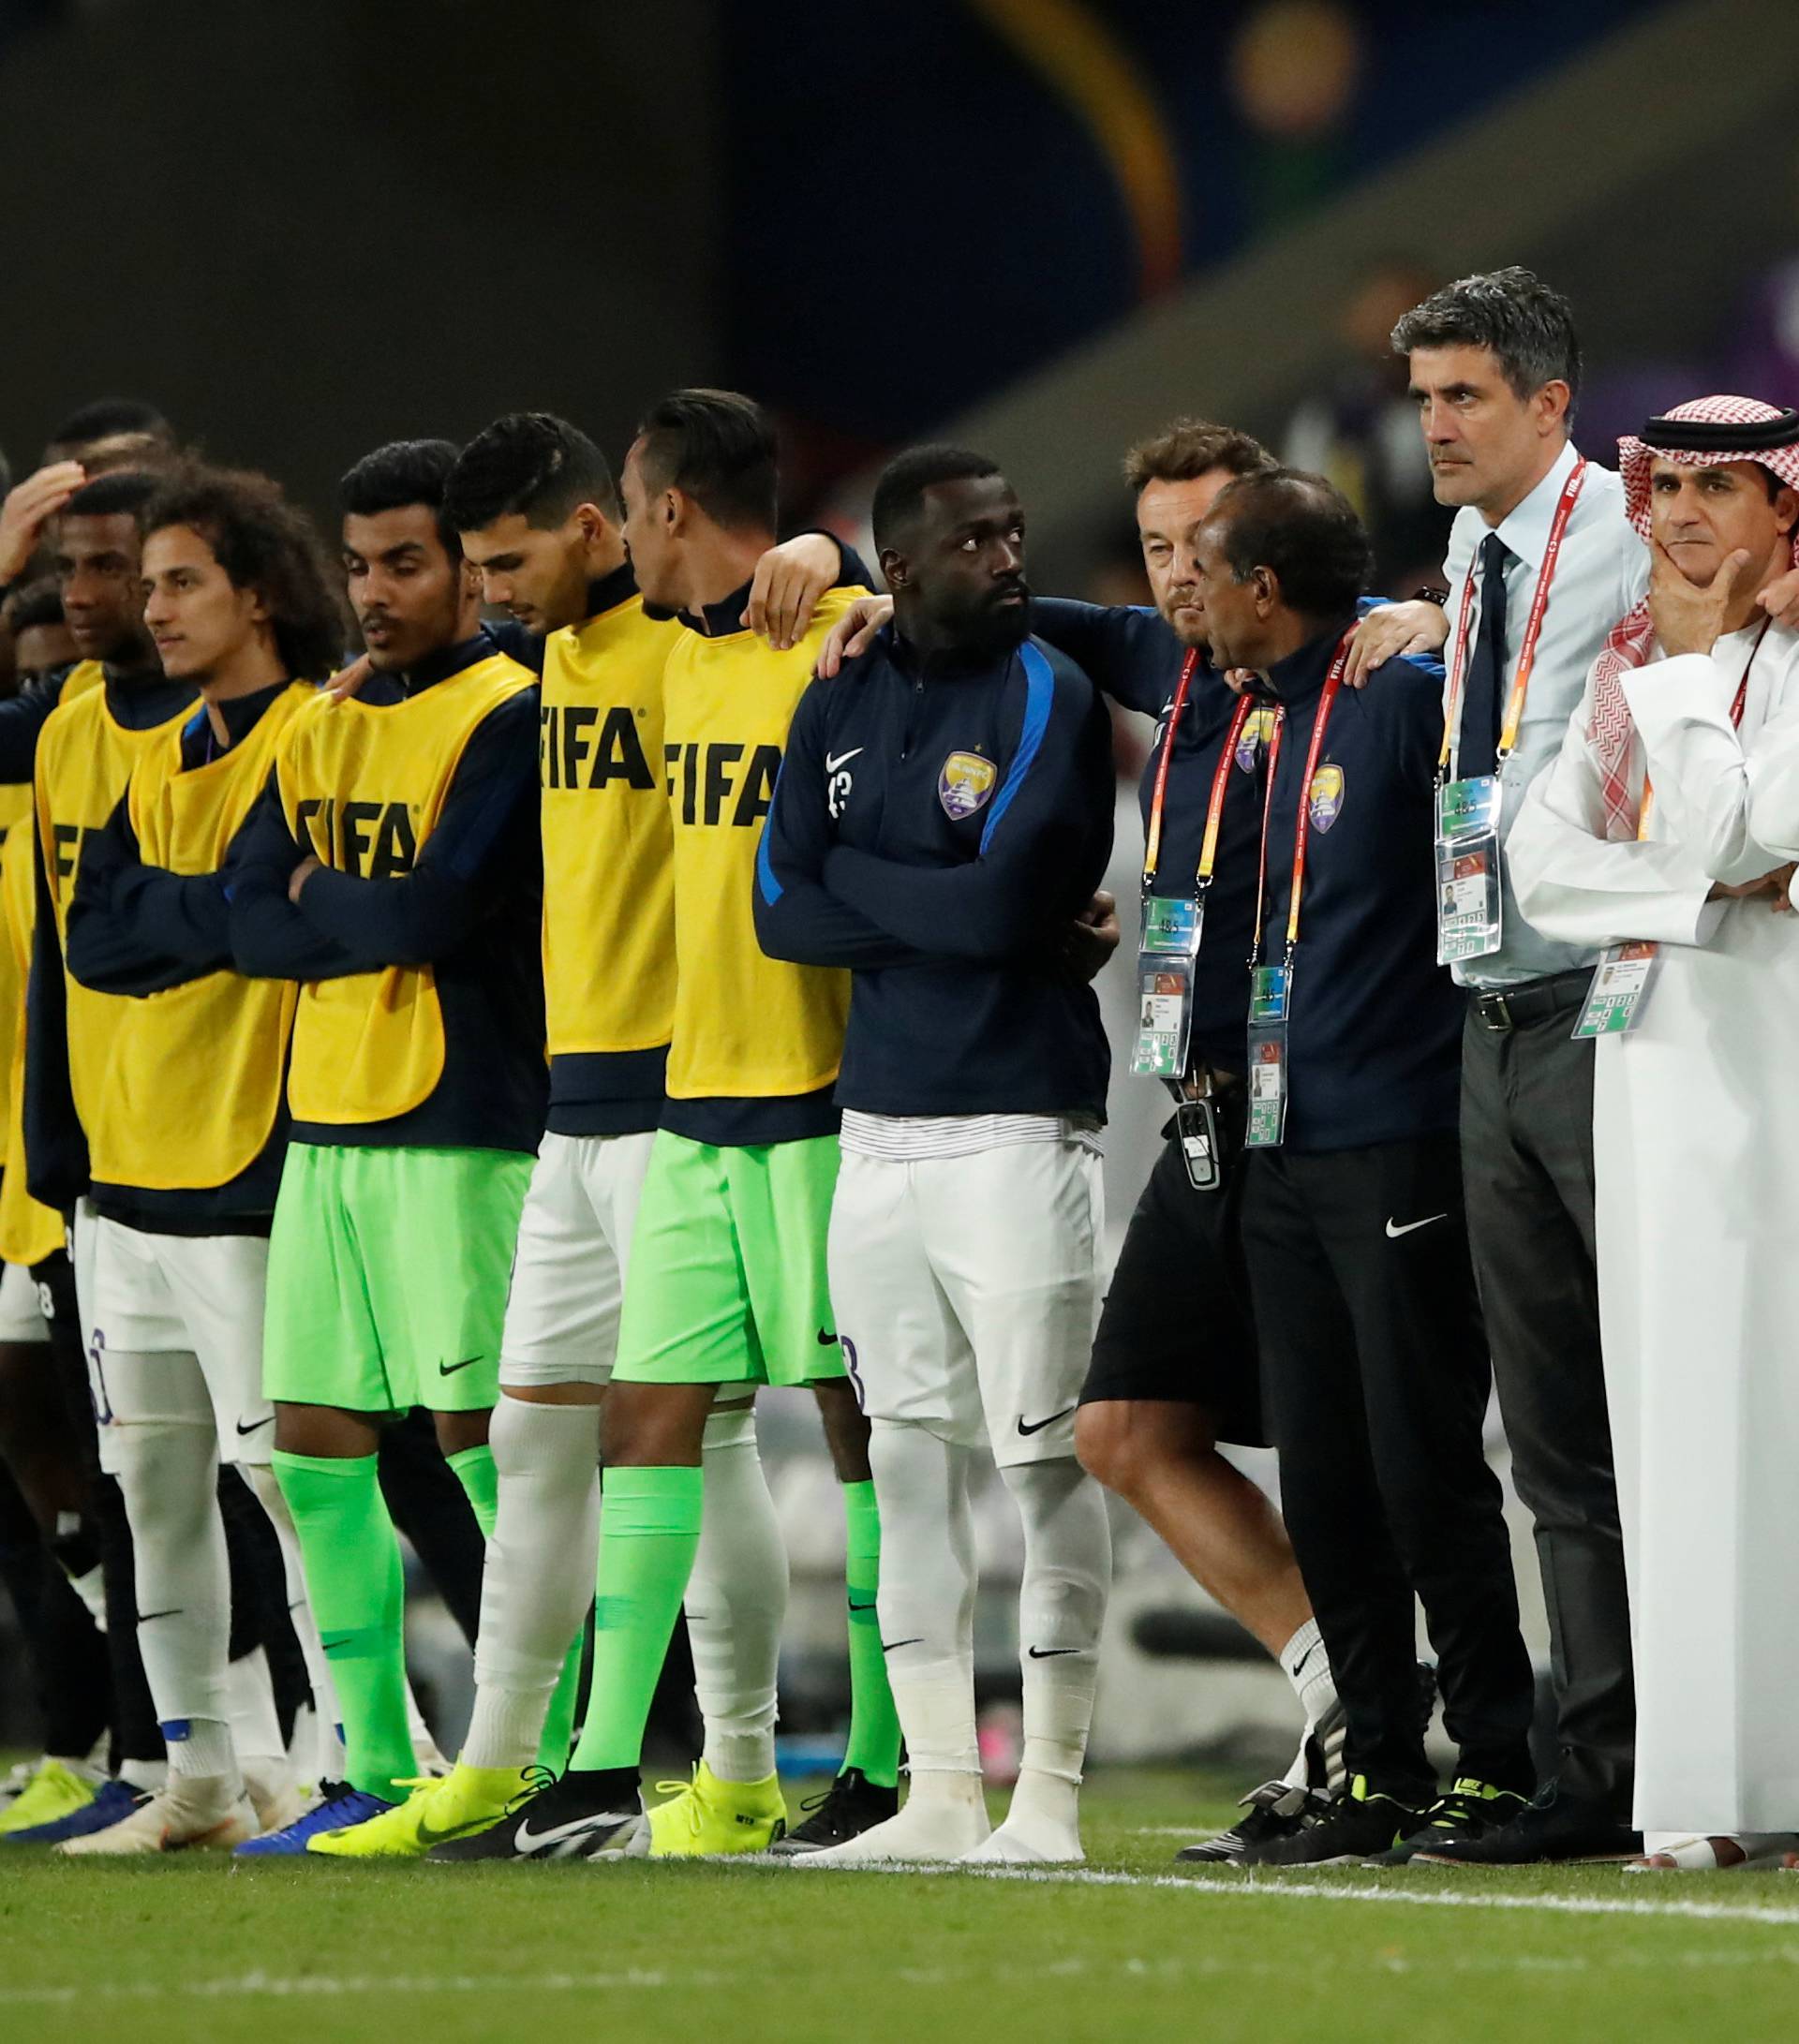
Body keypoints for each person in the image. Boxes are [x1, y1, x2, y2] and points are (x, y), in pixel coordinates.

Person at [319, 418, 856, 1860]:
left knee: (701, 1436)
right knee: (537, 1443)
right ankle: (503, 1760)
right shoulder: (546, 661)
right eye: (478, 565)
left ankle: (735, 1764)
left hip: (691, 1096)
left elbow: (820, 596)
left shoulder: (700, 640)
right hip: (573, 1107)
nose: (491, 590)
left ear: (605, 529)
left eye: (511, 559)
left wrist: (828, 547)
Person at [814, 421, 1348, 1863]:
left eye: (1212, 545)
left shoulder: (1358, 674)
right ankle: (1345, 1698)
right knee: (1114, 1433)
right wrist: (837, 575)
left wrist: (1410, 617)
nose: (1184, 575)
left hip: (1343, 1105)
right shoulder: (1154, 658)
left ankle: (1416, 1730)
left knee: (1361, 1446)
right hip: (1200, 1109)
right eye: (1161, 546)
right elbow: (786, 895)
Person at [755, 445, 1115, 1865]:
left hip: (1018, 1124)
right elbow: (779, 907)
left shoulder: (1051, 692)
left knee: (1042, 1465)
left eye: (1015, 531)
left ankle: (1054, 1797)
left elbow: (1003, 904)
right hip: (878, 1132)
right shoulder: (836, 689)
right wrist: (939, 905)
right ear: (894, 568)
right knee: (905, 1462)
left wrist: (875, 890)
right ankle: (940, 1795)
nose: (1008, 557)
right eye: (973, 541)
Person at [1189, 469, 1536, 1868]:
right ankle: (1380, 1764)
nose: (1186, 595)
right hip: (1280, 1141)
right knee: (1324, 1469)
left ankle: (1502, 1760)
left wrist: (1438, 620)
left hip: (1395, 1133)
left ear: (1264, 589)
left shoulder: (1397, 701)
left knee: (1420, 1460)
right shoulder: (1265, 721)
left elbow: (1488, 819)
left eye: (1205, 571)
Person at [225, 440, 543, 1855]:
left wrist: (317, 888)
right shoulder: (325, 721)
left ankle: (539, 1754)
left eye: (403, 561)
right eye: (356, 565)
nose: (372, 591)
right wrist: (337, 894)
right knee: (313, 1452)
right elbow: (247, 918)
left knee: (486, 1455)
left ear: (470, 565)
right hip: (329, 1119)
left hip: (463, 1120)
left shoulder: (510, 714)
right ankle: (374, 1764)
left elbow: (435, 919)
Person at [1509, 396, 1799, 1872]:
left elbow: (1760, 823)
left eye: (1719, 485)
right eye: (1665, 482)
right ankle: (1699, 1784)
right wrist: (1692, 898)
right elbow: (1540, 862)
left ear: (1784, 507)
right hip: (1653, 1072)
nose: (1681, 511)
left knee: (1778, 1421)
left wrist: (1716, 834)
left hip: (1775, 1075)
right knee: (1671, 1427)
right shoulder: (1631, 673)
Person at [52, 466, 344, 1852]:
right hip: (125, 1176)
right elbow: (97, 934)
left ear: (261, 594)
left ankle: (351, 1769)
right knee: (150, 1490)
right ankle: (202, 1779)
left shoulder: (316, 734)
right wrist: (217, 909)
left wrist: (209, 914)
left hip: (249, 1165)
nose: (151, 609)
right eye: (150, 584)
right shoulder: (150, 752)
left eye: (180, 583)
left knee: (293, 1481)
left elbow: (257, 926)